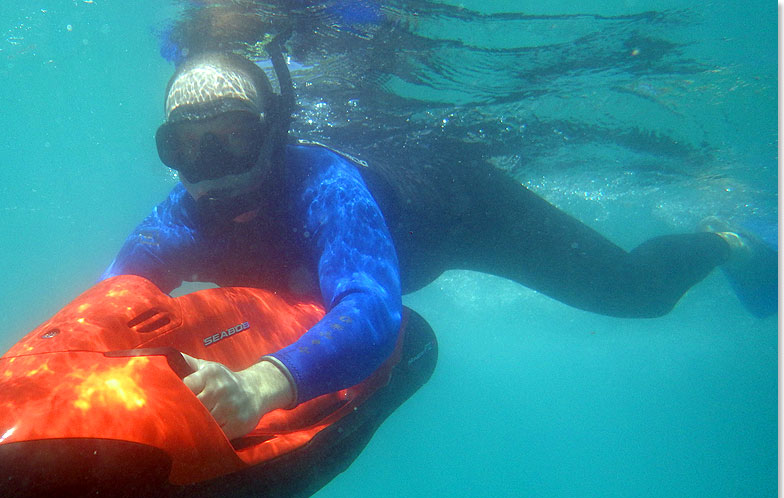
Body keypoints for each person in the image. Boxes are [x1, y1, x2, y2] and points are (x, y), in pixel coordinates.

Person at [102, 50, 777, 440]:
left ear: (272, 132)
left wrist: (259, 385)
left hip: (460, 207)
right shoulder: (180, 213)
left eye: (231, 138)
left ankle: (731, 241)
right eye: (185, 147)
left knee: (639, 294)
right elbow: (117, 290)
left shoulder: (324, 187)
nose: (211, 168)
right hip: (409, 201)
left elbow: (371, 312)